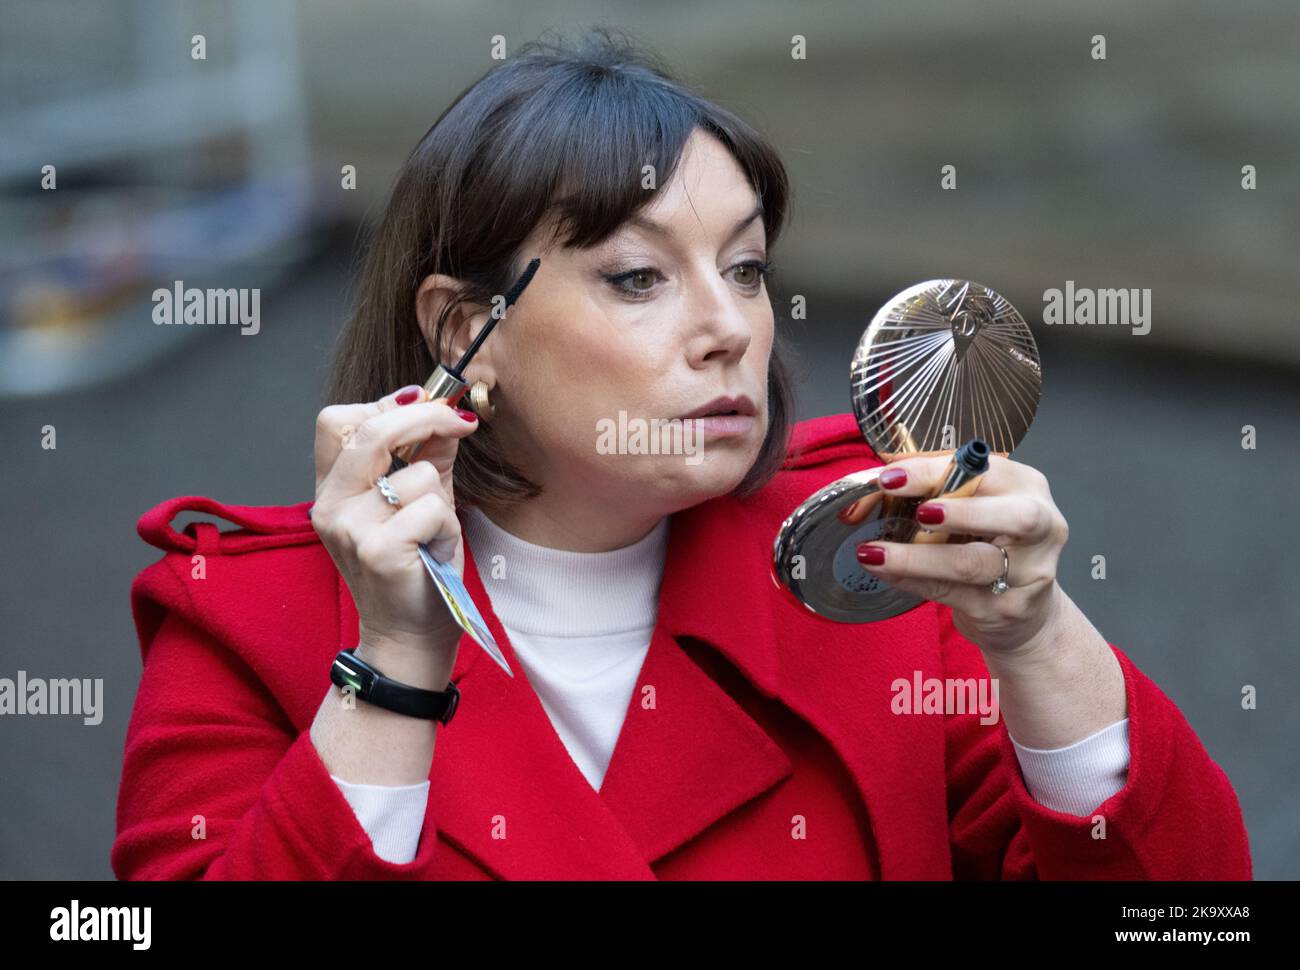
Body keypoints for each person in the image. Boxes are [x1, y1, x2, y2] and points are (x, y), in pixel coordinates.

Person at [112, 29, 1251, 880]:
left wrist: (1038, 635)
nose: (731, 328)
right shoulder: (247, 623)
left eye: (745, 266)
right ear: (466, 329)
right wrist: (394, 664)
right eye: (638, 276)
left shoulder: (877, 568)